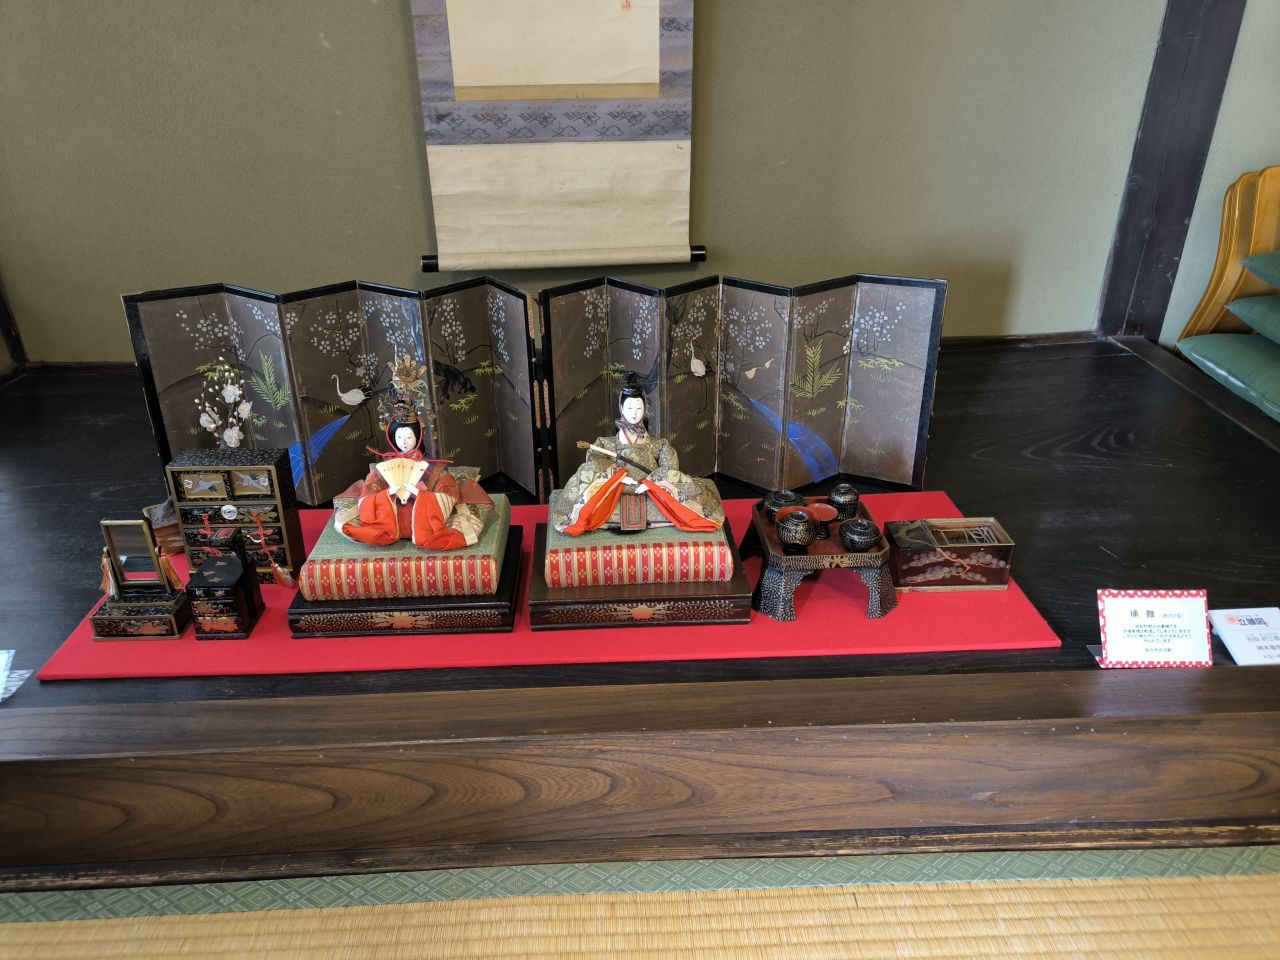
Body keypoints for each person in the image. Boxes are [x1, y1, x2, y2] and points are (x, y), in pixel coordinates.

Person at [335, 358, 492, 550]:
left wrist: (420, 494)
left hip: (425, 515)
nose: (404, 442)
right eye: (399, 437)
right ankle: (392, 530)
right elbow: (369, 493)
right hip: (389, 516)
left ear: (418, 438)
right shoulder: (383, 469)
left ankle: (421, 531)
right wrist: (388, 493)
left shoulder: (434, 468)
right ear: (392, 438)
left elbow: (448, 490)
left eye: (409, 437)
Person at [552, 373, 725, 535]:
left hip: (650, 490)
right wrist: (616, 477)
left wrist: (654, 482)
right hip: (615, 488)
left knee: (677, 498)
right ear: (621, 408)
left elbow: (670, 466)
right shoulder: (605, 444)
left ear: (645, 408)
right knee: (588, 482)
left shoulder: (658, 444)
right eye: (629, 407)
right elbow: (593, 463)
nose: (634, 413)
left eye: (638, 407)